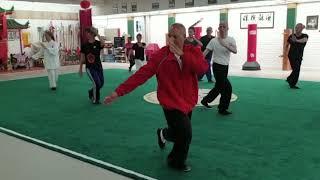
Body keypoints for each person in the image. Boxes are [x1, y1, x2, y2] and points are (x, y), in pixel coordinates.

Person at [104, 23, 208, 172]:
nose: (171, 39)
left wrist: (183, 55)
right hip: (170, 103)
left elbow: (201, 68)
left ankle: (163, 133)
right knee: (185, 133)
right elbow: (141, 75)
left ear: (184, 37)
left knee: (178, 133)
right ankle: (175, 161)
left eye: (175, 36)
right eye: (169, 36)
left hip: (188, 102)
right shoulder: (160, 56)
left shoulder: (193, 51)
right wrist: (118, 92)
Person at [200, 22, 237, 115]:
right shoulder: (214, 41)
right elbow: (205, 52)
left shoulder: (231, 39)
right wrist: (197, 61)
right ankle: (222, 109)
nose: (222, 28)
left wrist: (225, 45)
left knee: (219, 87)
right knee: (227, 87)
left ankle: (205, 100)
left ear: (227, 28)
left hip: (225, 66)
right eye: (220, 27)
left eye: (224, 27)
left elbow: (235, 51)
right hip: (217, 67)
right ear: (218, 29)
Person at [79, 27, 105, 104]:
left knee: (101, 83)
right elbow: (82, 57)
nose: (87, 35)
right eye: (86, 33)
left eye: (89, 33)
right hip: (90, 68)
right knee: (96, 83)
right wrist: (80, 68)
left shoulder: (97, 43)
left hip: (98, 66)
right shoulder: (84, 45)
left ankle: (91, 91)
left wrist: (97, 34)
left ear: (93, 34)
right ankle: (95, 99)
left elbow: (103, 43)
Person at [286, 23, 308, 89]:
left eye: (298, 27)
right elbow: (287, 45)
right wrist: (284, 53)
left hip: (299, 56)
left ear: (301, 29)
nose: (296, 29)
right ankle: (292, 84)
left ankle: (289, 78)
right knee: (296, 69)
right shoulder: (291, 36)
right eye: (296, 27)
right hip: (291, 55)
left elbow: (304, 40)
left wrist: (296, 40)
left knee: (296, 69)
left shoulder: (305, 35)